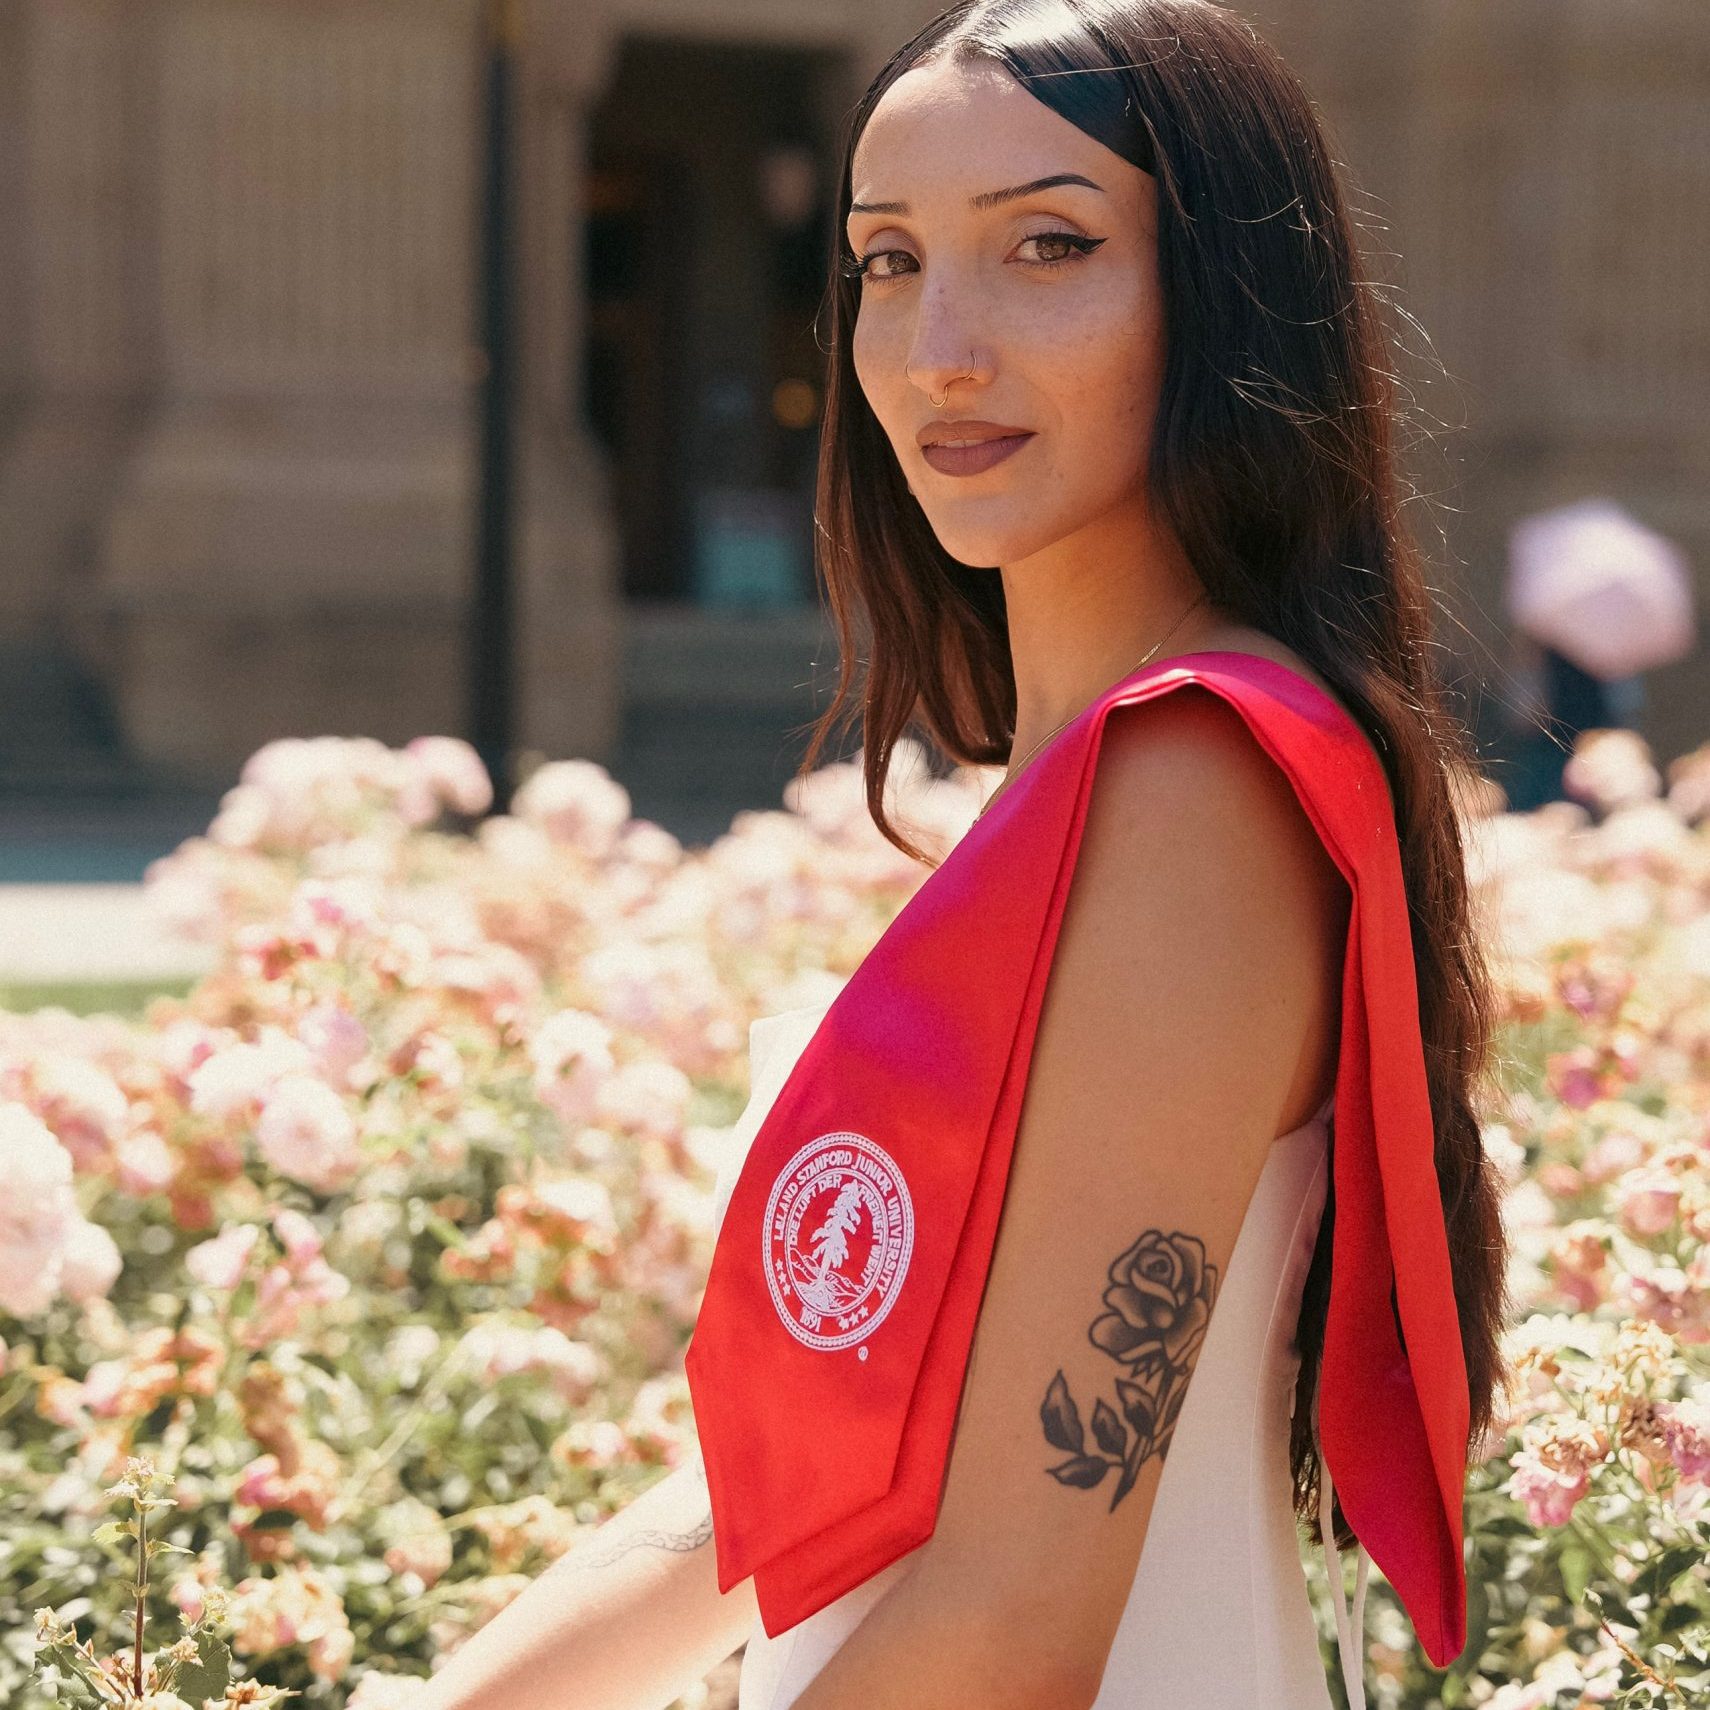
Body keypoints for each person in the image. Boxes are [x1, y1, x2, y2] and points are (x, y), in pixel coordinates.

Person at [416, 2, 1511, 1707]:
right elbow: (819, 1461)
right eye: (883, 259)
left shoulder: (1193, 788)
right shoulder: (1075, 774)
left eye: (1048, 246)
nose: (938, 348)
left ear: (1222, 301)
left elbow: (1014, 1622)